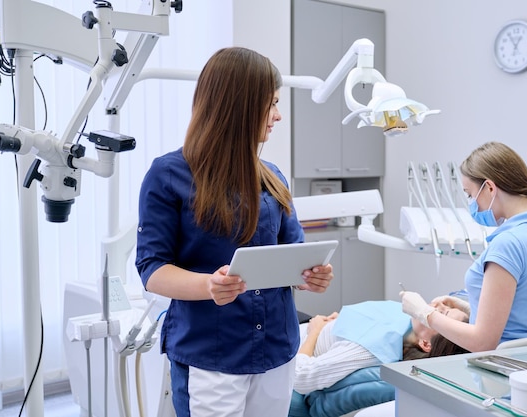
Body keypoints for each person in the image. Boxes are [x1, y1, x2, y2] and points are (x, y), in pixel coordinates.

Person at [135, 47, 334, 417]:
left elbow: (293, 255)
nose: (278, 115)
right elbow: (152, 269)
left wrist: (310, 276)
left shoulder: (273, 176)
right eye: (270, 103)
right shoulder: (168, 176)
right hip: (212, 354)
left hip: (277, 348)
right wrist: (208, 286)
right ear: (239, 105)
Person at [401, 141, 527, 353]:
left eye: (470, 194)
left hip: (501, 372)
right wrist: (469, 308)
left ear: (490, 188)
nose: (472, 203)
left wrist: (423, 313)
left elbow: (483, 342)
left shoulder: (507, 245)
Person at [289, 299, 468, 417]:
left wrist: (316, 331)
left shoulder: (369, 350)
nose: (441, 306)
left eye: (443, 315)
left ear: (425, 343)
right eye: (449, 307)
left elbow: (300, 376)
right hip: (309, 327)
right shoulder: (403, 321)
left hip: (293, 340)